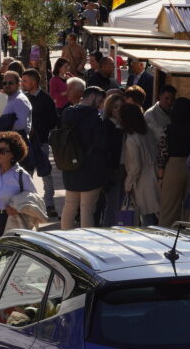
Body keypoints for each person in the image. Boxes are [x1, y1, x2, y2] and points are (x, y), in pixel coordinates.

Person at [59, 80, 107, 229]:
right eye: (99, 100)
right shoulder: (96, 118)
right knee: (87, 210)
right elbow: (101, 144)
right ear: (92, 97)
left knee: (69, 207)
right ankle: (86, 244)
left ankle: (64, 240)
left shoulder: (67, 113)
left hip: (69, 167)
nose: (100, 105)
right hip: (90, 170)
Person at [21, 68, 58, 217]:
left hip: (41, 142)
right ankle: (28, 203)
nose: (23, 84)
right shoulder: (23, 98)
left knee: (46, 173)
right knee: (26, 174)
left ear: (34, 82)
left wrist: (40, 130)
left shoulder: (45, 98)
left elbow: (53, 120)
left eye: (25, 81)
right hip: (26, 144)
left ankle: (49, 204)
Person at [158, 92, 190, 226]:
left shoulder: (168, 128)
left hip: (173, 166)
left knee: (169, 207)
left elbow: (163, 153)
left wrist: (160, 176)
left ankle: (165, 235)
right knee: (189, 207)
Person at [120, 104, 160, 226]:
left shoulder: (132, 139)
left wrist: (128, 184)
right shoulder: (147, 132)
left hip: (142, 181)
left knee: (147, 218)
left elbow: (135, 166)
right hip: (155, 176)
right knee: (155, 215)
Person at [99, 92, 126, 227]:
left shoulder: (125, 125)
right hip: (112, 170)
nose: (118, 110)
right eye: (115, 107)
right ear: (109, 109)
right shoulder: (107, 125)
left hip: (124, 168)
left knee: (121, 204)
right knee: (112, 204)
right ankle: (108, 231)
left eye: (121, 107)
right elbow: (106, 150)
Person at [0, 70, 32, 142]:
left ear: (18, 84)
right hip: (12, 142)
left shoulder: (19, 100)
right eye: (4, 83)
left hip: (18, 142)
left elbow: (22, 124)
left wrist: (3, 125)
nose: (7, 85)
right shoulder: (11, 98)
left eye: (10, 83)